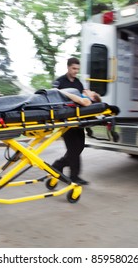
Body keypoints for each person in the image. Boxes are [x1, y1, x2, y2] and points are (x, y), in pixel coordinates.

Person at [51, 57, 97, 185]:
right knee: (73, 149)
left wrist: (88, 124)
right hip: (66, 121)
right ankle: (74, 176)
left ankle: (58, 166)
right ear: (68, 67)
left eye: (77, 69)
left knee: (79, 147)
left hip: (79, 121)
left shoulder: (78, 83)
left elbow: (83, 101)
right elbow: (53, 97)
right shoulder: (59, 82)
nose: (76, 71)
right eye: (73, 68)